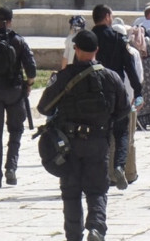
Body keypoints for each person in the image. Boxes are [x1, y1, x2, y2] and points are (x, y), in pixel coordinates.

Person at [37, 30, 130, 241]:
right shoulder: (111, 77)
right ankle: (96, 227)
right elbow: (123, 110)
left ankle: (73, 236)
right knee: (97, 190)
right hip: (98, 142)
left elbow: (44, 108)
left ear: (76, 49)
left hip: (68, 144)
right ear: (97, 50)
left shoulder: (64, 77)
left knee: (71, 193)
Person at [0, 7, 36, 188]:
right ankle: (11, 168)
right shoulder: (18, 41)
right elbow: (31, 70)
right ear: (10, 20)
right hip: (14, 91)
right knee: (16, 131)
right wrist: (29, 84)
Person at [91, 4, 142, 190]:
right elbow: (129, 67)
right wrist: (138, 91)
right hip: (115, 90)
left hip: (92, 92)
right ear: (106, 16)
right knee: (121, 132)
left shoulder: (88, 39)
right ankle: (119, 166)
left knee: (98, 133)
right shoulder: (118, 39)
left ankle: (100, 171)